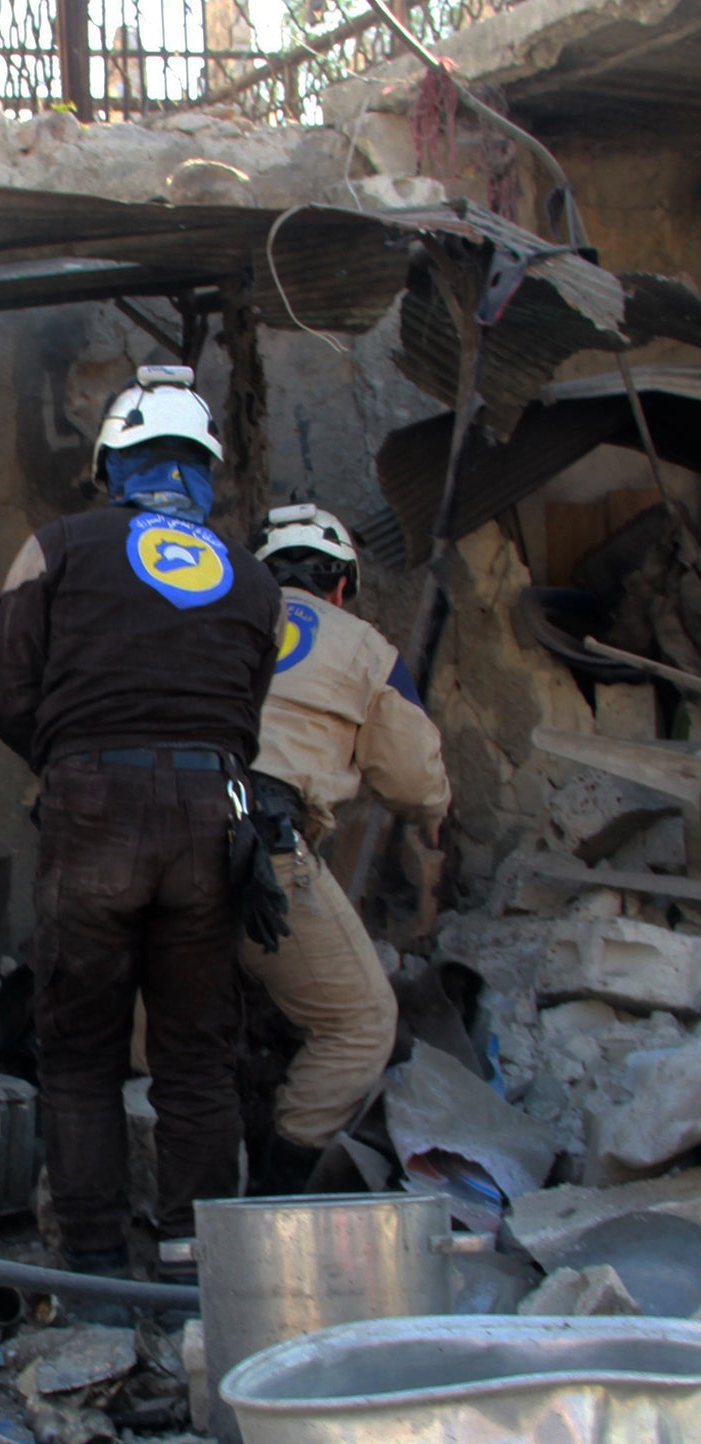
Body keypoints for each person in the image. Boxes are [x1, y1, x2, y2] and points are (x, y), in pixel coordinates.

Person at [0, 365, 282, 1282]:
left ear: (112, 466)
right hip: (210, 815)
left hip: (92, 809)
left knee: (80, 1051)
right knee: (196, 1056)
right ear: (205, 472)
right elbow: (247, 718)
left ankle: (96, 1263)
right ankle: (195, 1266)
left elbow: (3, 681)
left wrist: (66, 757)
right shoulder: (255, 580)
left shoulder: (55, 547)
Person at [244, 504, 451, 1191]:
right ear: (341, 587)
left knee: (172, 1029)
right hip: (265, 842)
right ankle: (276, 1202)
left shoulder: (207, 616)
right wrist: (432, 814)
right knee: (361, 1024)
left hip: (157, 827)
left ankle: (162, 1218)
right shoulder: (364, 645)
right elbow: (413, 779)